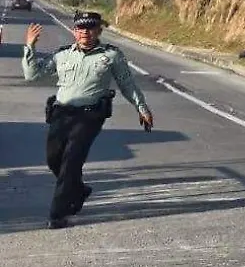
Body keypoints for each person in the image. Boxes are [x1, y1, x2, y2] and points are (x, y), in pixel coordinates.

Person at [21, 13, 154, 229]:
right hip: (61, 113)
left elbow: (127, 84)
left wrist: (142, 108)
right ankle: (79, 189)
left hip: (90, 115)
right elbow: (32, 75)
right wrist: (30, 47)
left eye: (90, 28)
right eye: (80, 28)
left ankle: (58, 213)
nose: (85, 32)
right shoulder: (62, 54)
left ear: (99, 31)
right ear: (74, 31)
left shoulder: (111, 55)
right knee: (53, 159)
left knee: (71, 161)